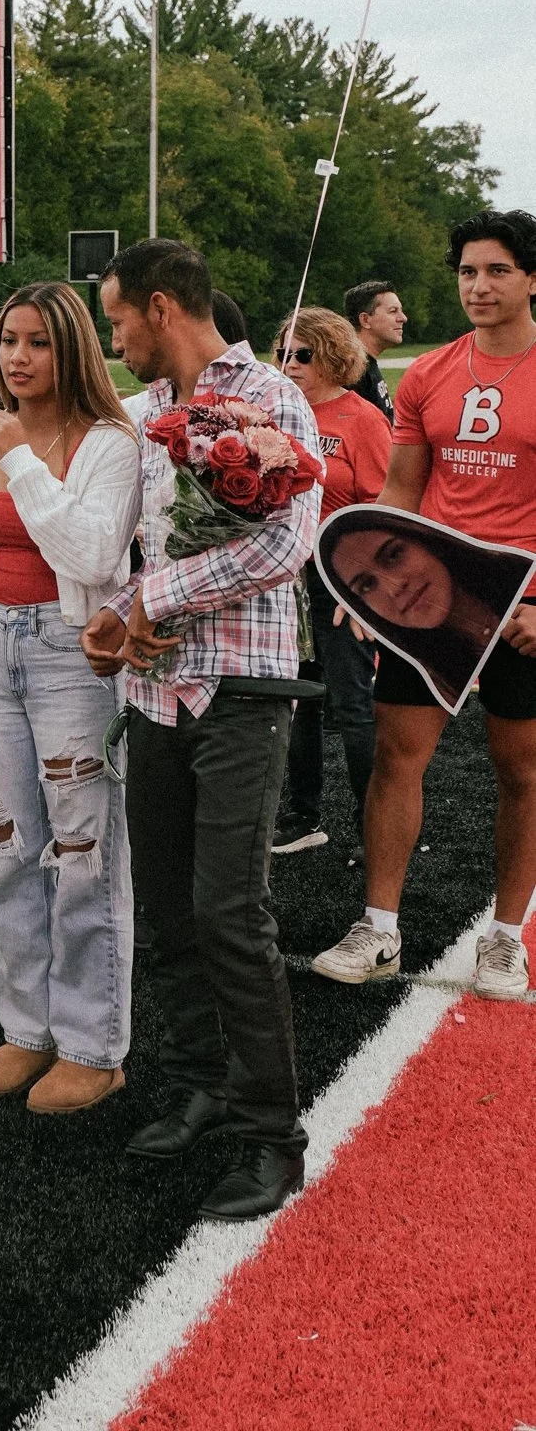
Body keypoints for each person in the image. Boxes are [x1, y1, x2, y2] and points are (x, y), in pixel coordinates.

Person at [83, 238, 323, 1224]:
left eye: (119, 320)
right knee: (168, 911)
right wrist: (115, 621)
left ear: (164, 305)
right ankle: (199, 1082)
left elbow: (286, 538)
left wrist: (158, 593)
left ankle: (274, 1133)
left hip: (243, 685)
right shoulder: (144, 417)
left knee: (231, 910)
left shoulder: (271, 392)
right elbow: (140, 541)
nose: (115, 338)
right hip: (154, 690)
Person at [0, 283, 142, 1112]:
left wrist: (20, 455)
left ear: (72, 351)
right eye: (7, 341)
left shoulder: (110, 441)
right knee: (8, 848)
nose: (16, 358)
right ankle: (27, 1030)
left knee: (83, 852)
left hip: (70, 658)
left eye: (37, 343)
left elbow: (89, 554)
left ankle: (94, 1045)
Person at [315, 209, 536, 1003]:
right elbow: (401, 489)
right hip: (430, 596)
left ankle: (505, 937)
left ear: (531, 278)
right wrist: (362, 581)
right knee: (394, 758)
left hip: (522, 600)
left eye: (497, 271)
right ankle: (378, 925)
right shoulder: (431, 372)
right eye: (467, 271)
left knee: (521, 773)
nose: (478, 286)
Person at [271, 307, 392, 857]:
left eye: (303, 354)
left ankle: (376, 824)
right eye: (283, 353)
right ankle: (303, 815)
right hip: (283, 577)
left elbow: (384, 510)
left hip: (342, 580)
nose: (289, 364)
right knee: (298, 699)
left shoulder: (362, 419)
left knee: (351, 702)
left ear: (333, 357)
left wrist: (365, 589)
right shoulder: (271, 413)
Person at [320, 509, 531, 713]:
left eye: (394, 555)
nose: (394, 587)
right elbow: (400, 491)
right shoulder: (420, 665)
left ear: (423, 537)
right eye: (366, 586)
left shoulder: (519, 577)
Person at [343, 279, 406, 423]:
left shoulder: (365, 365)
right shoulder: (352, 373)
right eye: (393, 311)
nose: (403, 318)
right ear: (365, 320)